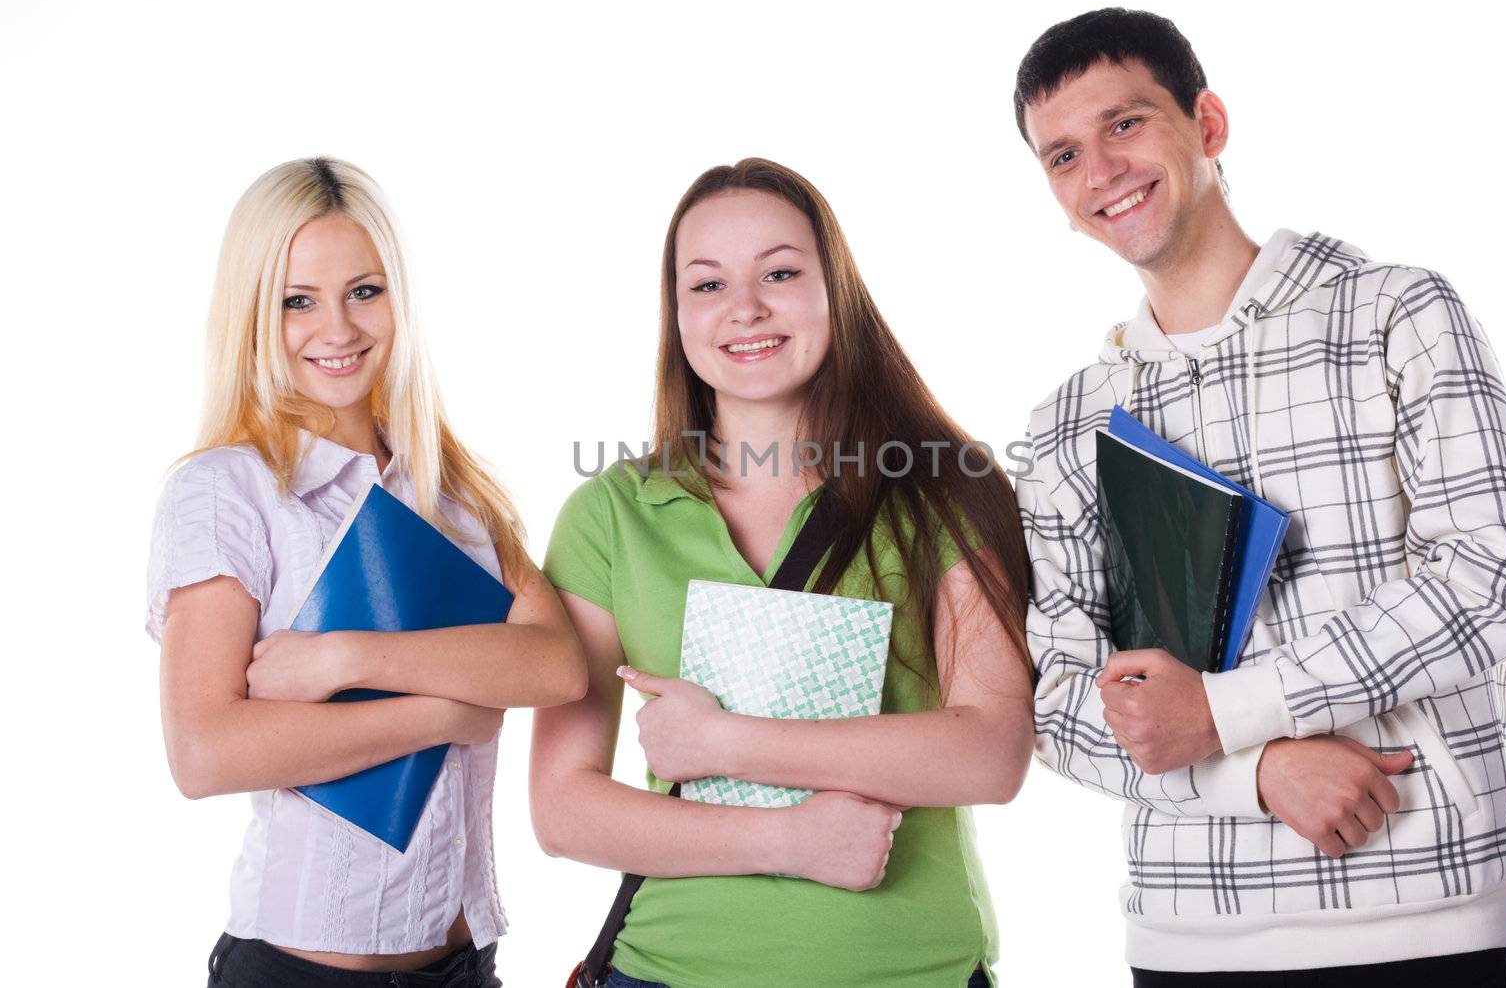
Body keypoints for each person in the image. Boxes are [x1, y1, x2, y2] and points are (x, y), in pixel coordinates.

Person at [1012, 9, 1506, 986]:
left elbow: (1496, 578)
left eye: (1125, 124)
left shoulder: (1395, 311)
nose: (1099, 170)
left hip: (1421, 916)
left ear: (1207, 123)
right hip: (1183, 935)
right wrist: (1248, 771)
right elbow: (1057, 700)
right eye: (1062, 154)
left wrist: (1224, 710)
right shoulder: (1066, 425)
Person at [532, 157, 1033, 988]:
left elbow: (993, 749)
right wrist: (793, 840)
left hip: (912, 970)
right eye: (707, 284)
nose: (746, 308)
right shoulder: (610, 514)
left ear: (836, 287)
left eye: (781, 272)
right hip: (667, 968)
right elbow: (562, 808)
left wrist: (728, 742)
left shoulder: (948, 486)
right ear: (677, 314)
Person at [146, 157, 588, 986]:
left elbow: (557, 663)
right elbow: (204, 751)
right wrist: (441, 712)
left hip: (466, 966)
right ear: (252, 312)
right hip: (302, 970)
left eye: (365, 290)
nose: (338, 328)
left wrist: (346, 657)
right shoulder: (229, 489)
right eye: (296, 300)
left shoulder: (453, 489)